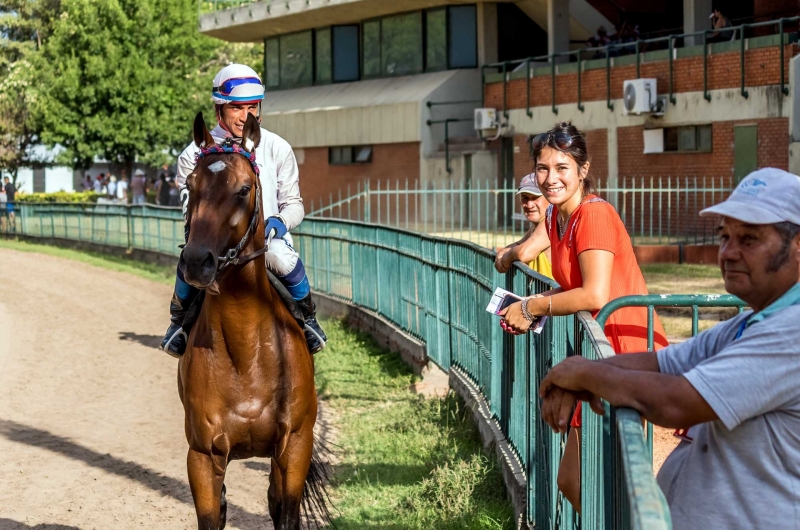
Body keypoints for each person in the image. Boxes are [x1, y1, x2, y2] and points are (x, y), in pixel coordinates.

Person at [539, 167, 800, 528]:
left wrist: (582, 373)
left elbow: (676, 401)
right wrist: (578, 378)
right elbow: (663, 364)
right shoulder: (748, 324)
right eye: (725, 236)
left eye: (749, 240)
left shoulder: (791, 333)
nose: (728, 252)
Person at [498, 122, 668, 513]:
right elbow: (572, 285)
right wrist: (529, 303)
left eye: (562, 167)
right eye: (543, 168)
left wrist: (533, 307)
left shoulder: (594, 214)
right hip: (597, 350)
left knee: (617, 487)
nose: (551, 178)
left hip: (626, 349)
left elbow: (595, 293)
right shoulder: (559, 217)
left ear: (583, 169)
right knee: (575, 482)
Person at [160, 63, 327, 357]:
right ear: (219, 110)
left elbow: (295, 205)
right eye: (236, 108)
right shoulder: (193, 154)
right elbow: (190, 209)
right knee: (190, 258)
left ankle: (307, 317)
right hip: (214, 243)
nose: (245, 115)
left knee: (279, 255)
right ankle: (179, 323)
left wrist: (277, 223)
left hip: (265, 243)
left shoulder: (277, 147)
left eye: (252, 106)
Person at [495, 173, 553, 279]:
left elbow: (524, 253)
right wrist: (503, 251)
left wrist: (506, 257)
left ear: (549, 197)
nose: (529, 205)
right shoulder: (537, 226)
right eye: (525, 198)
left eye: (535, 198)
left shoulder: (550, 222)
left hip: (553, 294)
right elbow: (519, 244)